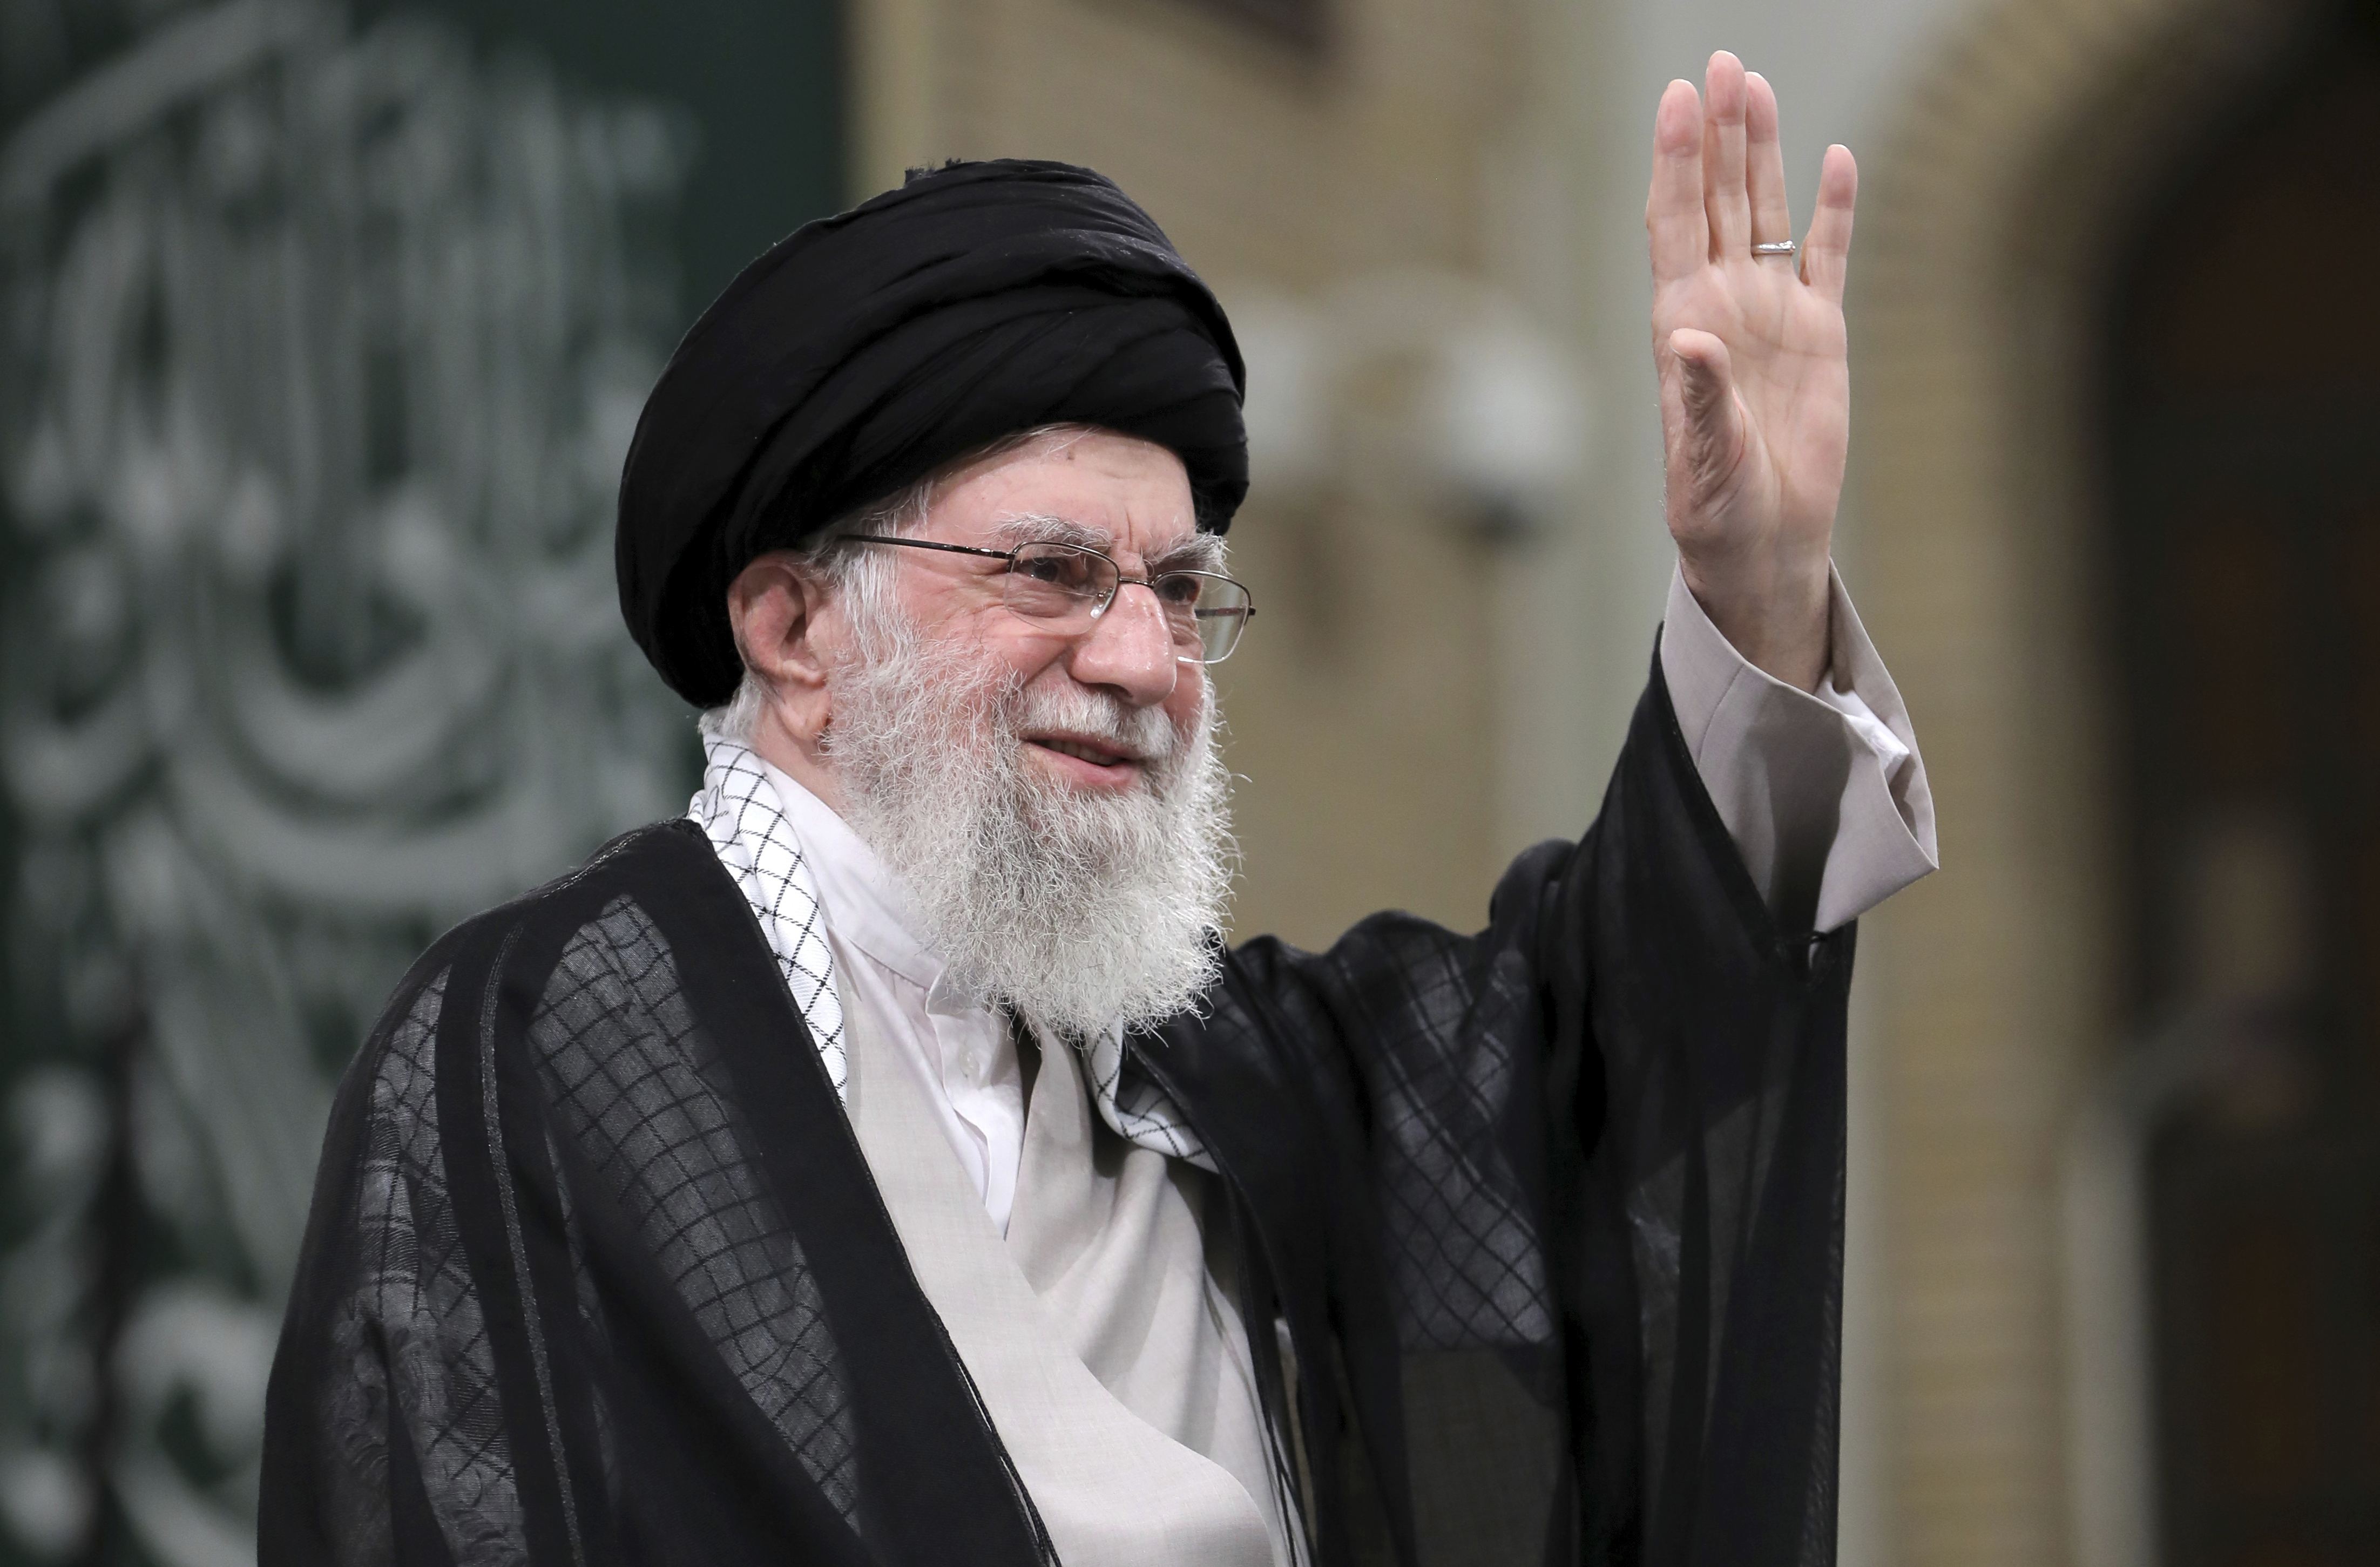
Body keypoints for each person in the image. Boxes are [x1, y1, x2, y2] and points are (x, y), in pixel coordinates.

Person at [260, 52, 1935, 1567]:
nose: (1144, 657)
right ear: (790, 632)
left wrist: (1755, 584)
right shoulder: (552, 1052)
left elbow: (1627, 1025)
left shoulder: (1233, 1081)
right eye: (1054, 572)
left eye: (1182, 589)